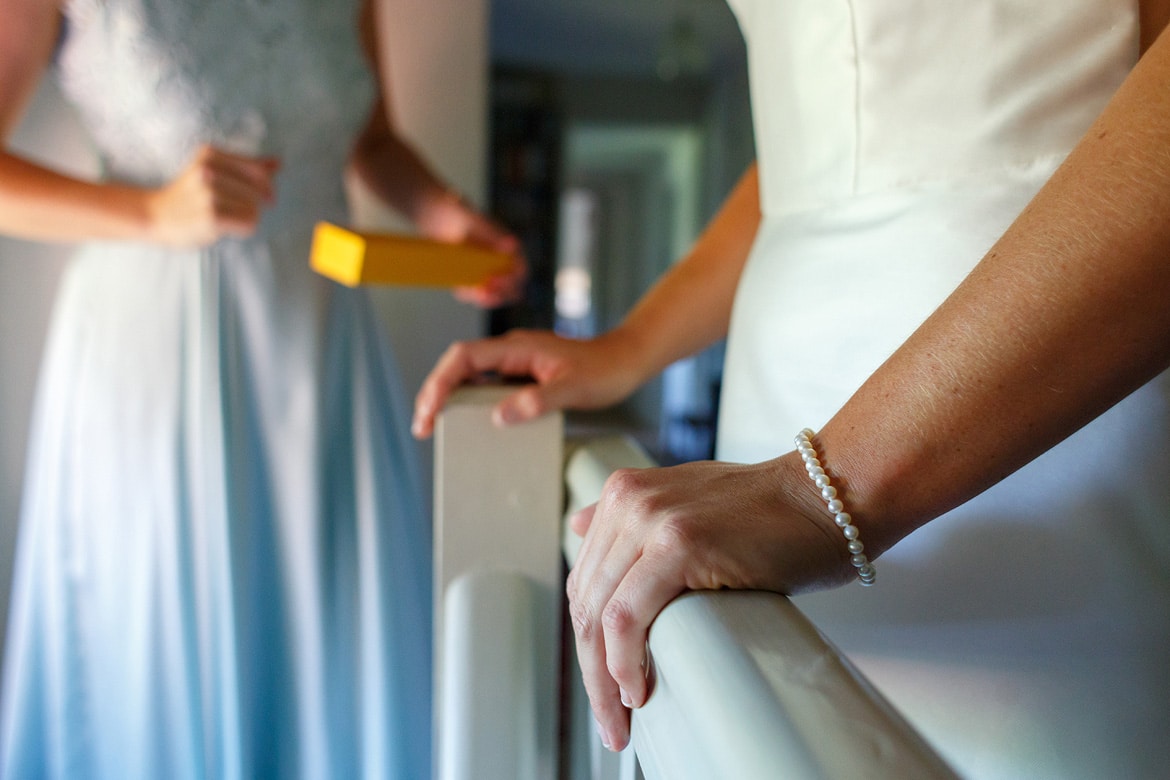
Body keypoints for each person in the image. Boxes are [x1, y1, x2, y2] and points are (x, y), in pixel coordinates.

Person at [413, 0, 1170, 776]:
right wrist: (628, 348)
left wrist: (822, 491)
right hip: (773, 392)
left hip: (1042, 365)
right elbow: (814, 128)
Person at [0, 0, 523, 776]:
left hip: (322, 345)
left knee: (332, 628)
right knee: (164, 639)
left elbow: (371, 141)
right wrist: (152, 211)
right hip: (159, 343)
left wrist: (446, 217)